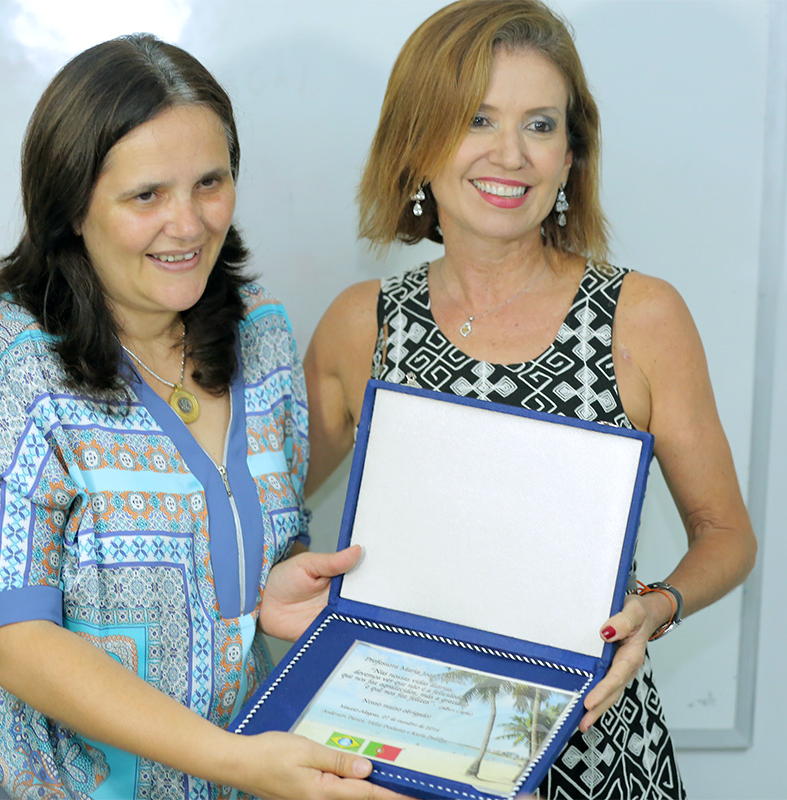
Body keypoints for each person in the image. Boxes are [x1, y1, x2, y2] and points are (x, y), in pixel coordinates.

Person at [0, 34, 408, 800]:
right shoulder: (1, 363)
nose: (188, 224)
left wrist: (262, 592)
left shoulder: (261, 340)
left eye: (210, 182)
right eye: (147, 196)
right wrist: (236, 760)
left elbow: (217, 548)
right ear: (72, 205)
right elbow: (14, 640)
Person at [304, 1, 758, 797]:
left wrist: (657, 608)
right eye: (477, 119)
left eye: (540, 125)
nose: (510, 155)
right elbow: (265, 510)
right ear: (417, 140)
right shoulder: (359, 325)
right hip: (405, 749)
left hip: (595, 749)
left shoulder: (643, 318)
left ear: (572, 155)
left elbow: (726, 534)